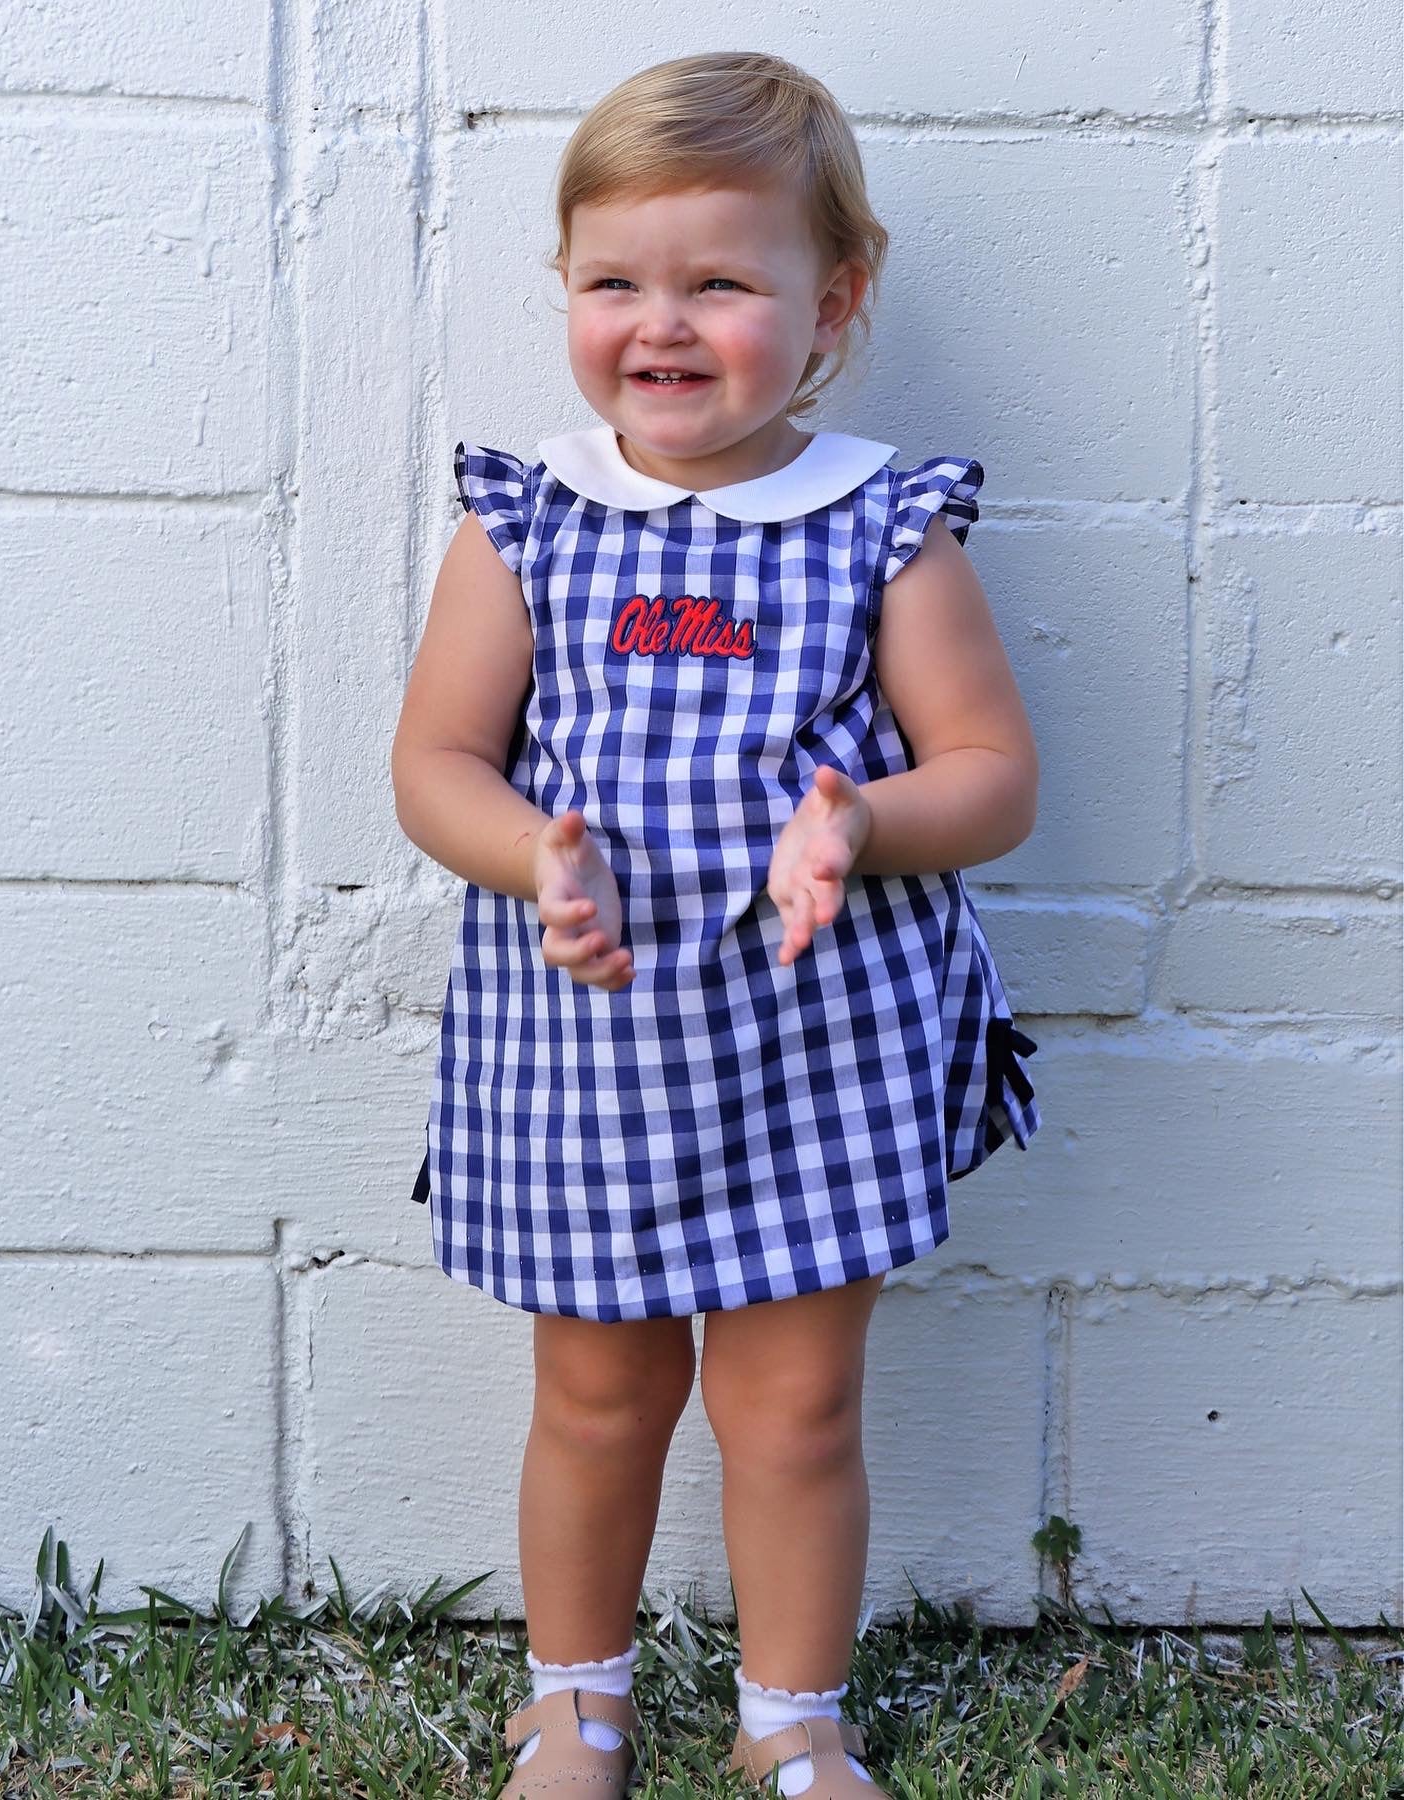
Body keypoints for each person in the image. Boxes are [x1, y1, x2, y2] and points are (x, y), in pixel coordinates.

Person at [391, 49, 1042, 1800]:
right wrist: (535, 853)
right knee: (599, 1402)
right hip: (587, 1044)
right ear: (570, 291)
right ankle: (576, 1703)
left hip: (817, 1044)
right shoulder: (525, 517)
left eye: (720, 284)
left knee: (795, 1409)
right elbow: (434, 764)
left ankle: (792, 1721)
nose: (660, 325)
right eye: (616, 281)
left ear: (830, 304)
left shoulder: (882, 524)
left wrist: (862, 817)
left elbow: (992, 775)